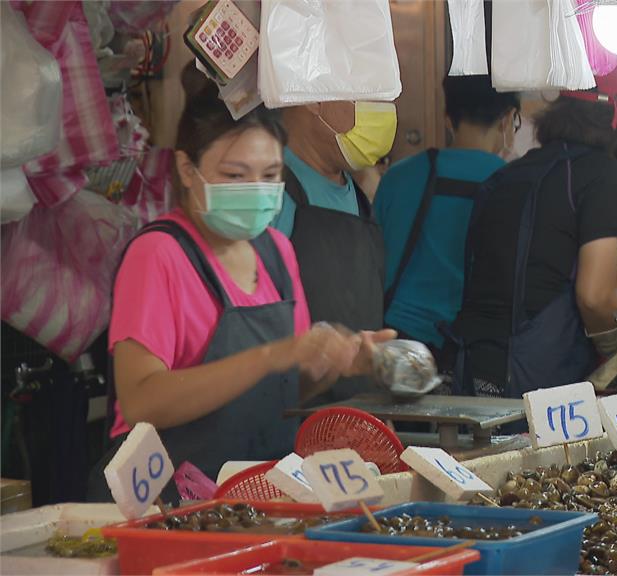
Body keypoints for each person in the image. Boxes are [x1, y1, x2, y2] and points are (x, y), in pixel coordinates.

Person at [89, 66, 394, 498]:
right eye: (235, 175)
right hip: (170, 503)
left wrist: (334, 363)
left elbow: (282, 389)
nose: (256, 189)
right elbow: (141, 399)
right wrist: (268, 356)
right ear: (187, 168)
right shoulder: (159, 254)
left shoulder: (276, 251)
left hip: (257, 493)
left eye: (270, 176)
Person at [450, 62, 617, 398]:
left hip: (474, 366)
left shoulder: (509, 174)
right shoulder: (604, 175)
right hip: (541, 375)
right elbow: (594, 297)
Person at [374, 75, 520, 357]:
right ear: (508, 119)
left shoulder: (399, 177)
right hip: (474, 348)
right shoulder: (514, 185)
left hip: (397, 341)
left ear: (447, 119)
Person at [272, 100, 398, 400]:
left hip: (357, 414)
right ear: (315, 100)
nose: (382, 108)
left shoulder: (357, 192)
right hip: (289, 417)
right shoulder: (267, 191)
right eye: (365, 95)